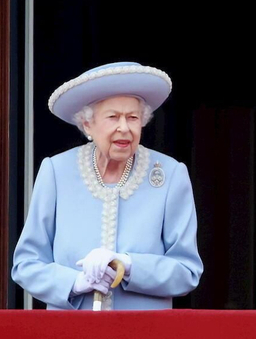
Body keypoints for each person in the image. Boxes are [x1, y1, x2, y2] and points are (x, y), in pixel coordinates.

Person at [12, 62, 203, 310]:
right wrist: (74, 283)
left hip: (144, 336)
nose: (124, 127)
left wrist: (127, 264)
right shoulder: (56, 172)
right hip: (70, 335)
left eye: (132, 117)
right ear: (88, 125)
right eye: (113, 117)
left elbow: (187, 271)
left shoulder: (170, 175)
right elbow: (26, 265)